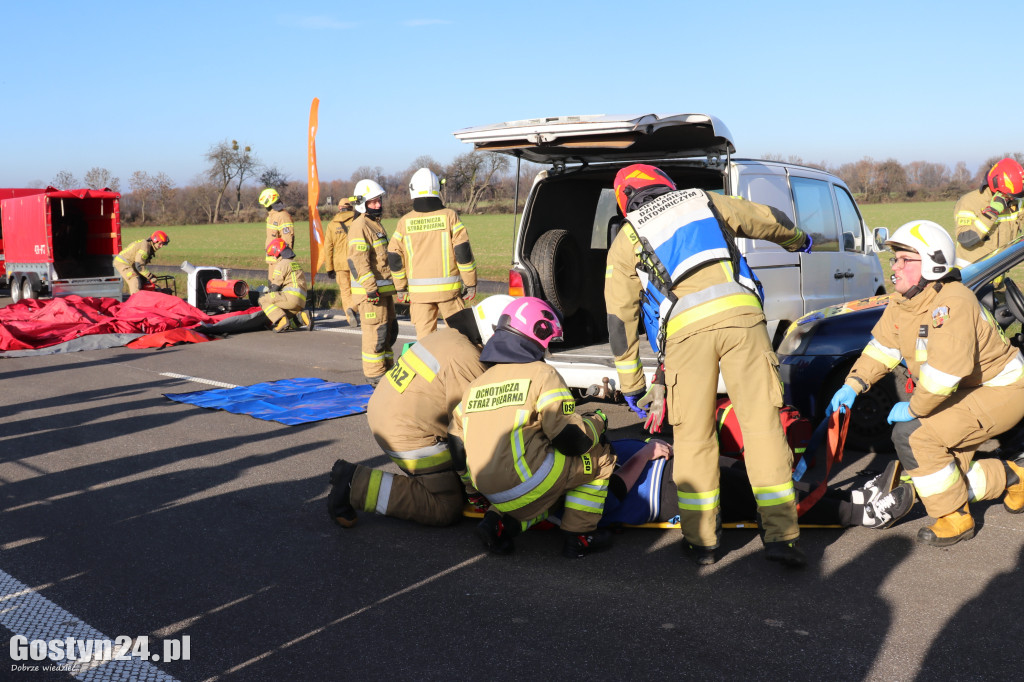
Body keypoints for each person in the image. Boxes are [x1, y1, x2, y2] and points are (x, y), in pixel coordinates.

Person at [604, 163, 813, 568]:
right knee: (763, 428)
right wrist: (798, 240)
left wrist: (632, 384)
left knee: (695, 438)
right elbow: (768, 219)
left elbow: (620, 318)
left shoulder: (627, 238)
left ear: (625, 199)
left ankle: (702, 542)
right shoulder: (703, 199)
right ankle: (782, 537)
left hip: (685, 334)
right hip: (743, 320)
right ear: (666, 185)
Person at [828, 220, 1024, 547]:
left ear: (932, 264)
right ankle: (1014, 476)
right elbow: (884, 348)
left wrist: (915, 408)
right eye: (895, 259)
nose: (896, 267)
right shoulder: (903, 302)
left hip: (1001, 390)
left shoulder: (952, 303)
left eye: (906, 259)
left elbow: (945, 375)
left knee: (915, 437)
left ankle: (955, 517)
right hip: (965, 391)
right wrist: (854, 383)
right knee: (942, 474)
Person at [448, 297, 618, 559]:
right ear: (539, 332)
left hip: (489, 491)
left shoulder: (476, 385)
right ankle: (581, 536)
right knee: (598, 456)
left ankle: (499, 523)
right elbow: (571, 441)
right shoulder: (541, 374)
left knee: (542, 469)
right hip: (527, 483)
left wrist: (472, 491)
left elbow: (457, 446)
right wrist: (597, 422)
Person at [326, 295, 513, 528]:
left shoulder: (450, 336)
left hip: (390, 414)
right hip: (408, 433)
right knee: (445, 506)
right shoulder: (467, 360)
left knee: (454, 482)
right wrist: (475, 489)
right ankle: (354, 485)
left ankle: (355, 480)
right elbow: (468, 433)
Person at [388, 168, 478, 339]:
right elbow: (462, 253)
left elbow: (394, 255)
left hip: (419, 296)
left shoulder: (404, 222)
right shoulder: (450, 216)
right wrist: (470, 282)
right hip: (449, 294)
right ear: (438, 189)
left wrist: (400, 287)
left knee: (425, 345)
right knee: (462, 339)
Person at [348, 179, 398, 384]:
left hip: (383, 292)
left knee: (388, 333)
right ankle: (375, 375)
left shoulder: (374, 224)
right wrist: (370, 289)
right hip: (372, 295)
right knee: (375, 336)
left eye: (379, 201)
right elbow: (359, 261)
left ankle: (386, 371)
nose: (378, 205)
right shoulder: (360, 226)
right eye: (373, 202)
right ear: (362, 203)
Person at [954, 158, 1024, 267]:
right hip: (970, 276)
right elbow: (966, 239)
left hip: (996, 273)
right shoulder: (969, 202)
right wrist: (992, 212)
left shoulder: (1016, 201)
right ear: (997, 187)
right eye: (1009, 195)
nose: (1011, 199)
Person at [258, 237, 312, 332]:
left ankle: (281, 320)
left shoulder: (282, 264)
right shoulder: (294, 263)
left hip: (290, 298)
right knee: (287, 316)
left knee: (263, 299)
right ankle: (303, 316)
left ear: (277, 253)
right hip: (301, 301)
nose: (274, 258)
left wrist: (267, 292)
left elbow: (275, 287)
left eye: (273, 255)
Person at [322, 200, 359, 327]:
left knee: (345, 291)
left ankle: (350, 316)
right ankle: (354, 308)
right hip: (356, 261)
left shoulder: (332, 225)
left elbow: (328, 248)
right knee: (359, 289)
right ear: (351, 207)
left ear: (339, 208)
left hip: (339, 263)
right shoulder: (357, 220)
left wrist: (329, 268)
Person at [114, 230, 169, 295]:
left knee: (143, 280)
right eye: (160, 244)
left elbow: (138, 265)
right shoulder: (145, 248)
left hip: (131, 264)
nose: (161, 246)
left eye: (163, 244)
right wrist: (150, 277)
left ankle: (144, 298)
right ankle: (136, 302)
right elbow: (139, 265)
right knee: (134, 280)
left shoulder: (148, 246)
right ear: (154, 241)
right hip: (123, 263)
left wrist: (147, 276)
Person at [259, 188, 295, 279]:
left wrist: (284, 261)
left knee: (278, 289)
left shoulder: (282, 216)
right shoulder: (272, 216)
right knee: (272, 288)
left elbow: (288, 239)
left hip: (279, 261)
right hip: (273, 261)